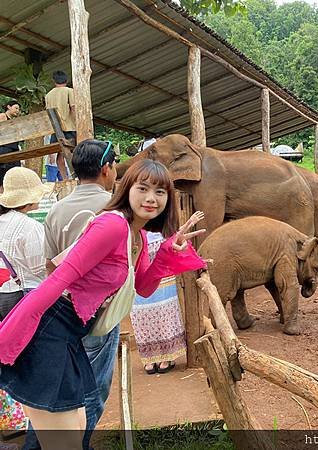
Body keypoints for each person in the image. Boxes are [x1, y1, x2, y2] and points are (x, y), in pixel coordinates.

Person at [0, 156, 207, 450]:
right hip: (49, 326)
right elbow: (59, 279)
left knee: (78, 428)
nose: (151, 198)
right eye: (143, 188)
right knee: (64, 441)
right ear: (126, 188)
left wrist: (167, 253)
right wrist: (6, 338)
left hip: (70, 333)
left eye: (160, 192)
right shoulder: (112, 225)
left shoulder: (138, 236)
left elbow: (145, 288)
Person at [22, 140, 118, 450]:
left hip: (62, 312)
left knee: (59, 385)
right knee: (93, 386)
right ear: (106, 169)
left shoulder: (57, 210)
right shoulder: (116, 207)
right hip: (102, 314)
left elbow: (51, 267)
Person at [131, 231, 187, 375]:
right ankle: (149, 356)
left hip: (160, 246)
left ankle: (168, 355)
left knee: (163, 305)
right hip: (135, 247)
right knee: (140, 309)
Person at [0, 167, 49, 317]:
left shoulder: (3, 220)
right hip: (23, 295)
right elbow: (39, 268)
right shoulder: (30, 227)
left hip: (4, 292)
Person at [45, 70, 76, 181]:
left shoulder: (48, 95)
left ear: (53, 81)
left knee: (60, 155)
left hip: (56, 129)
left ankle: (65, 178)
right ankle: (76, 176)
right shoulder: (69, 91)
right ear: (66, 80)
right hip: (70, 127)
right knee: (76, 152)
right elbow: (73, 107)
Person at [0, 101, 22, 191]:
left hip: (13, 148)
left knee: (14, 173)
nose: (18, 111)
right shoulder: (2, 116)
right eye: (16, 108)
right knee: (2, 176)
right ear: (9, 107)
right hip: (4, 148)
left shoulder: (15, 120)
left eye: (19, 109)